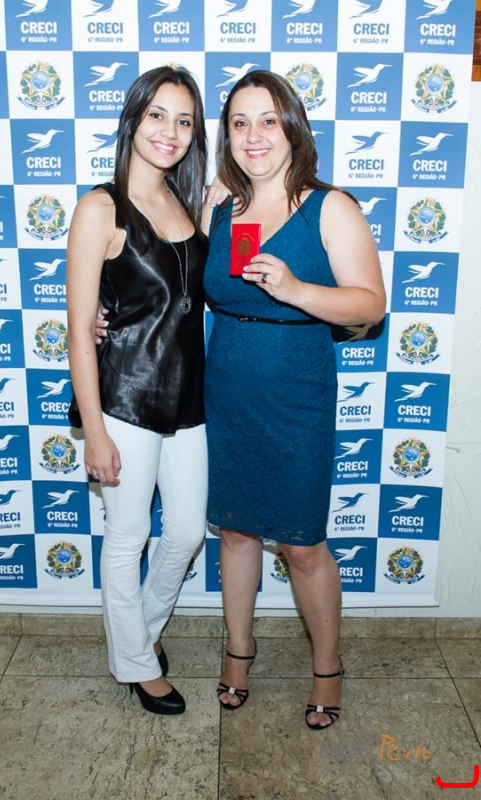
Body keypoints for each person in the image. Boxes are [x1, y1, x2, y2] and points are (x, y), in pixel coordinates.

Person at [202, 70, 386, 729]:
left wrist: (297, 289)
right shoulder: (220, 207)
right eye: (240, 122)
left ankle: (327, 668)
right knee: (236, 530)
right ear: (227, 135)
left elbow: (370, 304)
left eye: (268, 120)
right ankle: (238, 652)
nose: (254, 135)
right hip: (227, 388)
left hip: (297, 394)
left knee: (303, 544)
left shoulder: (329, 207)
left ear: (293, 128)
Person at [66, 65, 215, 716]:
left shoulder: (187, 201)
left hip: (187, 399)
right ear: (132, 119)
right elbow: (79, 330)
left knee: (185, 533)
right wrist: (95, 431)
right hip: (124, 398)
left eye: (184, 120)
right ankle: (135, 663)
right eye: (157, 115)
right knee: (128, 537)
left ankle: (142, 634)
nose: (170, 131)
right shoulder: (100, 208)